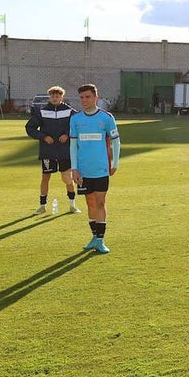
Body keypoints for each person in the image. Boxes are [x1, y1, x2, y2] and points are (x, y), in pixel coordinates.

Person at [69, 84, 121, 253]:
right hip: (83, 170)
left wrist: (115, 163)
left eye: (88, 97)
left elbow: (115, 141)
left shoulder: (106, 118)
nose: (84, 100)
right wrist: (74, 168)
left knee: (100, 202)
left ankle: (101, 240)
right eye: (82, 97)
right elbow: (73, 145)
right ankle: (93, 236)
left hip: (101, 168)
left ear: (95, 98)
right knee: (89, 202)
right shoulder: (75, 119)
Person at [24, 85, 81, 214]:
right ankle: (42, 206)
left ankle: (72, 205)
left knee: (68, 178)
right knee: (45, 177)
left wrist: (67, 134)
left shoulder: (70, 111)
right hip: (48, 151)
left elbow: (77, 125)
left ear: (62, 97)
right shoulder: (42, 111)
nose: (55, 98)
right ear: (49, 97)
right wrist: (43, 137)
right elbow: (30, 128)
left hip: (65, 151)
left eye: (57, 96)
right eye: (52, 96)